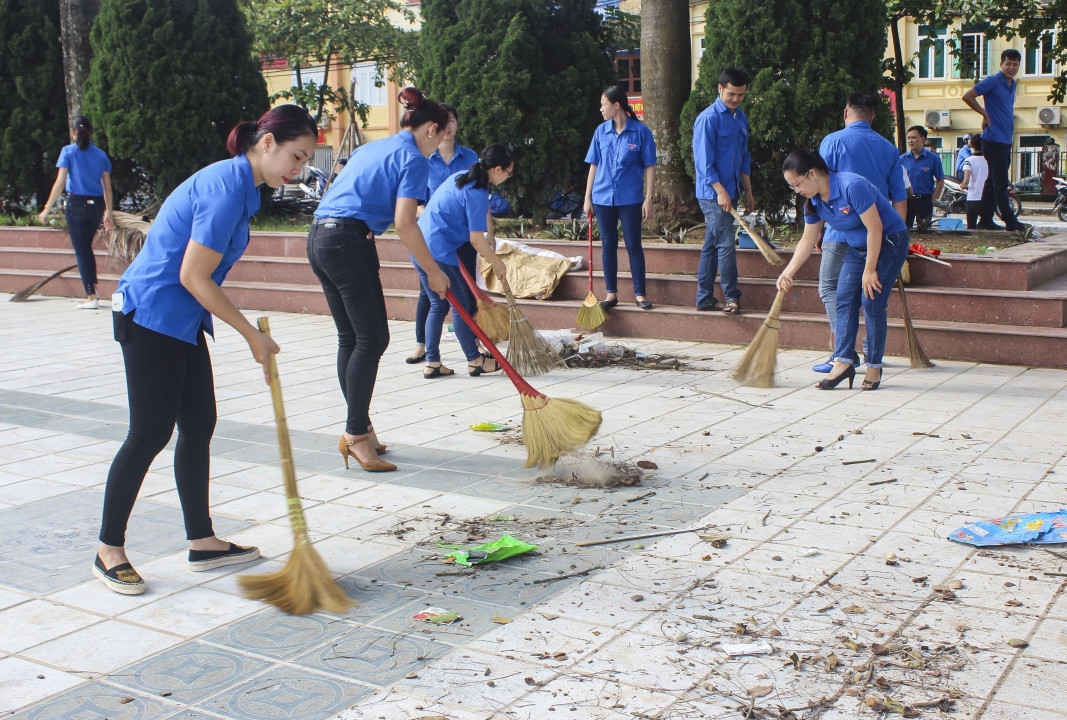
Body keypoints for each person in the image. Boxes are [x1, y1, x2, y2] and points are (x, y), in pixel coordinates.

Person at [93, 105, 319, 595]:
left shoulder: (243, 190)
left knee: (198, 424)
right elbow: (193, 275)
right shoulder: (223, 190)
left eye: (303, 162)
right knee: (149, 432)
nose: (297, 170)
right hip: (150, 314)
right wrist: (251, 335)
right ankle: (108, 548)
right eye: (296, 157)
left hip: (181, 319)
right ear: (266, 144)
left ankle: (202, 539)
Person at [308, 87, 450, 473]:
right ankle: (356, 434)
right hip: (346, 242)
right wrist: (434, 272)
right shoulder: (413, 159)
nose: (441, 145)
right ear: (431, 129)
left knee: (352, 338)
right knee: (373, 339)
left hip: (320, 237)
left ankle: (360, 429)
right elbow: (405, 222)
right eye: (445, 134)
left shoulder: (374, 147)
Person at [777, 150, 909, 392]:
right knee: (843, 299)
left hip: (889, 242)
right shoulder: (814, 201)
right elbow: (807, 240)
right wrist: (789, 272)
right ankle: (843, 361)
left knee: (871, 301)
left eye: (797, 184)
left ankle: (874, 365)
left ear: (813, 174)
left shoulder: (852, 186)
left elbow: (875, 228)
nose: (797, 190)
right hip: (858, 246)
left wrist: (870, 271)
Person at [815, 92, 908, 373]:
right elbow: (900, 197)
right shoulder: (889, 148)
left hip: (839, 231)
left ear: (846, 113)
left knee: (831, 289)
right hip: (878, 234)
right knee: (872, 296)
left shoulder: (832, 142)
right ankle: (869, 351)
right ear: (873, 116)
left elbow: (819, 185)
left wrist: (819, 228)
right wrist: (898, 240)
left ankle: (843, 352)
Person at [415, 145, 513, 378]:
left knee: (438, 305)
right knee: (462, 307)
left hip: (419, 245)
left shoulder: (460, 179)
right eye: (509, 172)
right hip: (439, 251)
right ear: (497, 170)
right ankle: (474, 359)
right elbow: (476, 239)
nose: (509, 177)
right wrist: (496, 263)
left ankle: (433, 362)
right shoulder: (476, 192)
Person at [407, 104, 479, 365]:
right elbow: (412, 199)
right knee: (430, 293)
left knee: (467, 288)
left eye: (452, 122)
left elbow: (479, 196)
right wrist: (423, 209)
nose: (448, 128)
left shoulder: (470, 158)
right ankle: (423, 345)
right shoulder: (425, 160)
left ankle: (471, 342)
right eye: (444, 123)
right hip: (434, 236)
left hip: (462, 234)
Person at [582, 85, 657, 310]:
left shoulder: (641, 132)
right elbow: (594, 166)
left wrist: (649, 198)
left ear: (616, 105)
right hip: (603, 197)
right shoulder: (600, 131)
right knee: (608, 244)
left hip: (630, 198)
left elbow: (650, 166)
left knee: (634, 244)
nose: (601, 109)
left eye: (604, 104)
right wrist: (587, 198)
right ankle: (611, 294)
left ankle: (640, 294)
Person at [692, 67, 753, 315]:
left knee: (712, 243)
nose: (736, 99)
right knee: (726, 243)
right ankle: (731, 297)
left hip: (732, 189)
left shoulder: (740, 118)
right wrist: (720, 191)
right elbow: (703, 163)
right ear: (720, 89)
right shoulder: (708, 119)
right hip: (711, 194)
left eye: (740, 95)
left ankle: (704, 297)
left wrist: (748, 191)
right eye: (731, 94)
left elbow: (744, 157)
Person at [37, 116, 115, 309]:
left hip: (77, 204)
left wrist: (47, 208)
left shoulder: (68, 152)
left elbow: (60, 182)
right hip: (96, 206)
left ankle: (91, 295)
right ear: (92, 132)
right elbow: (107, 187)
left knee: (82, 251)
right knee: (86, 249)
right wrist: (108, 212)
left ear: (73, 132)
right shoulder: (101, 155)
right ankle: (92, 291)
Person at [963, 48, 1027, 231]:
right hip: (993, 139)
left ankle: (985, 220)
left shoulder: (1012, 84)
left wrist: (988, 114)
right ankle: (1010, 221)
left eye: (1015, 65)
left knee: (992, 182)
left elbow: (1001, 107)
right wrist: (983, 113)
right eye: (1008, 64)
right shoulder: (993, 80)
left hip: (1005, 138)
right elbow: (968, 96)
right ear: (1001, 64)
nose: (1011, 68)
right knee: (1000, 182)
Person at [899, 125, 944, 230]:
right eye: (909, 138)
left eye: (914, 137)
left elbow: (940, 180)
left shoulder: (933, 158)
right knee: (904, 231)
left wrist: (933, 199)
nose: (910, 141)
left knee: (924, 232)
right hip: (906, 201)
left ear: (923, 139)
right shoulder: (902, 159)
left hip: (925, 200)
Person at [960, 135, 991, 229]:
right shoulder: (989, 160)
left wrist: (962, 185)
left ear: (972, 145)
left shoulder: (968, 161)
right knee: (986, 227)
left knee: (971, 227)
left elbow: (966, 180)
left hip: (973, 198)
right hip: (987, 198)